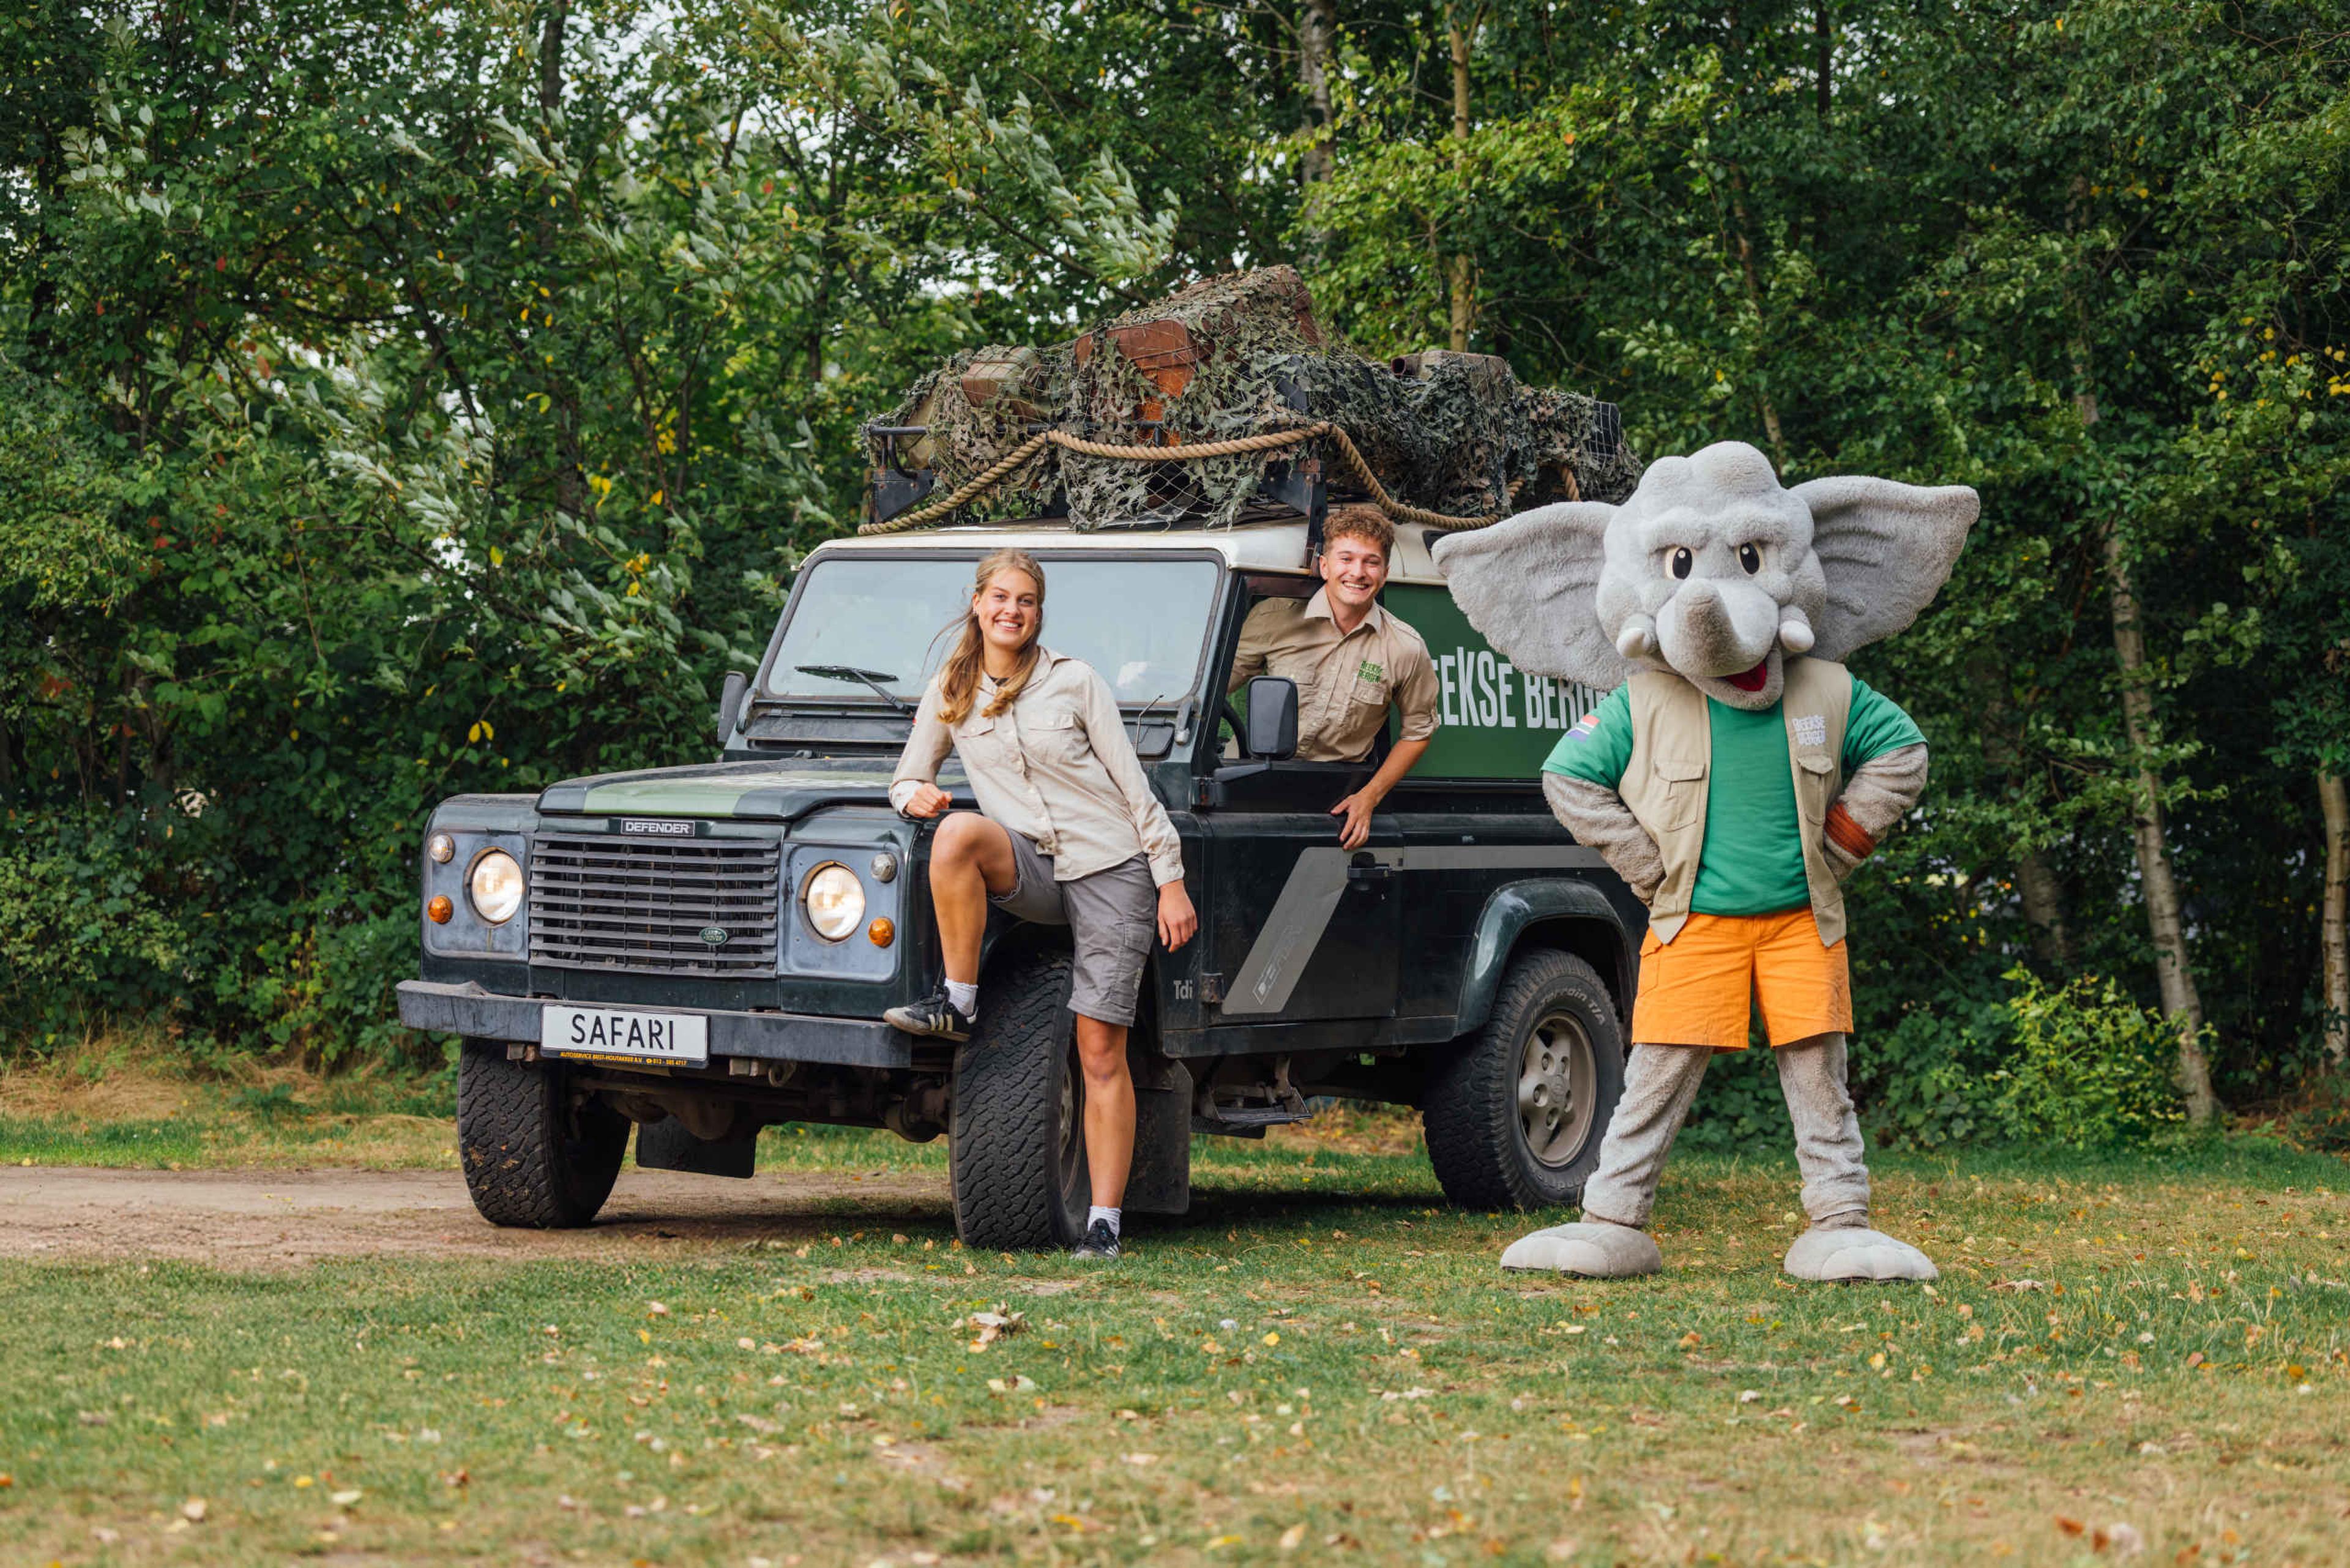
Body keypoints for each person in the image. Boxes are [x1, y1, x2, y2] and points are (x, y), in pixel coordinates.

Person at [884, 549, 1199, 1261]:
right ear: (977, 603)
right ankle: (958, 1000)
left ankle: (1105, 1225)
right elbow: (906, 776)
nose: (1011, 611)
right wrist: (916, 797)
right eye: (1000, 597)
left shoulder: (1075, 682)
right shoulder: (952, 687)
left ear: (1038, 613)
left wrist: (1169, 878)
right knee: (957, 831)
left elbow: (1132, 785)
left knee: (1098, 1048)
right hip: (1033, 865)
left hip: (1110, 867)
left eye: (1025, 601)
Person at [1227, 506, 1441, 849]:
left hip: (1333, 797)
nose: (1357, 573)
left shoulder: (1404, 647)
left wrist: (1369, 797)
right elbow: (1218, 685)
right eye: (1346, 559)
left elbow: (1419, 732)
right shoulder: (1274, 618)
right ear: (1325, 566)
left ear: (1384, 573)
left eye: (1371, 562)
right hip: (1253, 780)